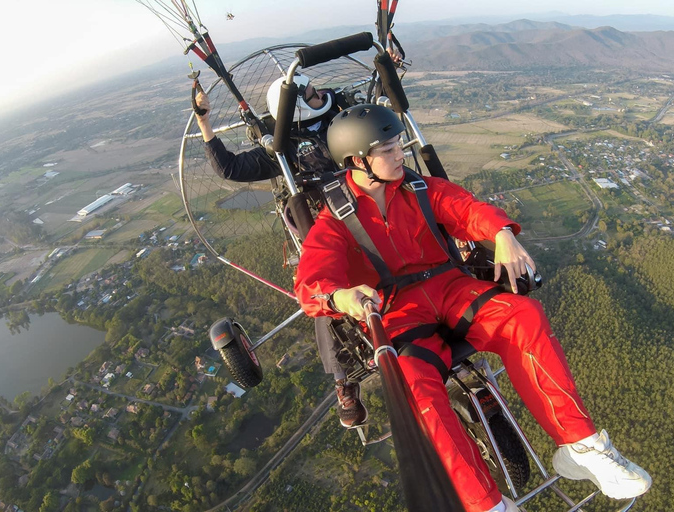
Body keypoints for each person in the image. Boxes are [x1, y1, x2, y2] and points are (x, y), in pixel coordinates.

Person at [293, 104, 652, 512]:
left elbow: (467, 210)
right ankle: (484, 504)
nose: (400, 156)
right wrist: (339, 296)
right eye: (389, 150)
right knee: (414, 386)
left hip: (451, 288)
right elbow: (311, 284)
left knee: (523, 316)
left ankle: (581, 447)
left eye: (399, 147)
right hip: (397, 311)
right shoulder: (335, 221)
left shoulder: (420, 189)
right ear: (358, 161)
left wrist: (501, 233)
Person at [194, 74, 369, 427]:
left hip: (368, 196)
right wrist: (204, 122)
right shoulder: (282, 145)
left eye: (315, 88)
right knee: (325, 287)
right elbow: (230, 167)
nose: (319, 92)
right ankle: (344, 380)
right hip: (325, 221)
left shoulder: (346, 110)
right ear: (298, 106)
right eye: (310, 93)